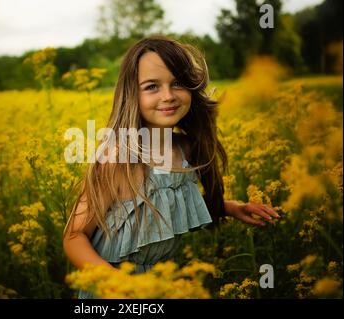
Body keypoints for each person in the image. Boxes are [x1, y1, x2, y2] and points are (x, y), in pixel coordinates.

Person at [62, 35, 280, 299]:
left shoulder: (184, 148)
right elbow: (74, 237)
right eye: (152, 86)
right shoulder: (119, 158)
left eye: (177, 83)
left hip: (164, 285)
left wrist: (230, 207)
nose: (168, 96)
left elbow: (168, 202)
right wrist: (117, 286)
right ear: (132, 94)